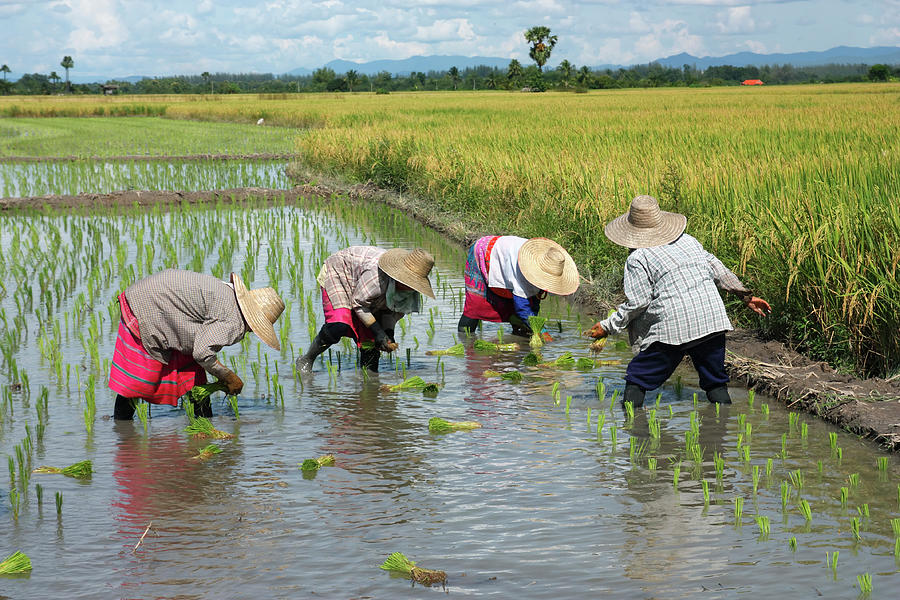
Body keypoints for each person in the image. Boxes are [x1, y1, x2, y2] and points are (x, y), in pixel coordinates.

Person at [586, 195, 771, 406]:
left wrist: (608, 326)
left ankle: (633, 431)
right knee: (715, 382)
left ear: (632, 231)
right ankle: (721, 433)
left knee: (637, 378)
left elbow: (639, 302)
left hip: (673, 329)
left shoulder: (637, 258)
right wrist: (746, 296)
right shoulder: (688, 241)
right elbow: (716, 267)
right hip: (711, 320)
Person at [109, 269, 285, 420]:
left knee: (193, 376)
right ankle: (122, 431)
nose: (250, 332)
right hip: (148, 307)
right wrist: (228, 376)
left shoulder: (229, 295)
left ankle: (204, 424)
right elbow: (202, 353)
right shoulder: (235, 321)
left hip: (156, 298)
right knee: (139, 381)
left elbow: (199, 346)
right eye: (255, 329)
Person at [296, 246, 435, 373]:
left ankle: (368, 384)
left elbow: (390, 312)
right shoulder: (377, 277)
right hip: (340, 273)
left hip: (363, 289)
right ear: (400, 277)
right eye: (409, 282)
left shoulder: (409, 292)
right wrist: (377, 330)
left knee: (372, 343)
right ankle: (307, 358)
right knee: (339, 325)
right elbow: (359, 302)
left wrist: (387, 333)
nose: (411, 287)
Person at [457, 236, 580, 337]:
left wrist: (535, 324)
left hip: (507, 255)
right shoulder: (524, 270)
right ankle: (465, 340)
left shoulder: (547, 263)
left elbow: (534, 300)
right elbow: (522, 307)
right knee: (475, 304)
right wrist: (542, 331)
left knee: (520, 311)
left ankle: (517, 332)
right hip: (483, 253)